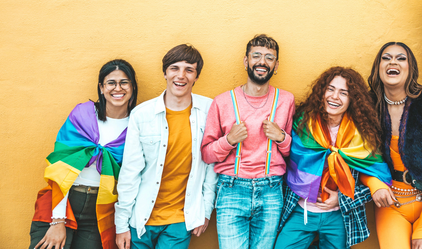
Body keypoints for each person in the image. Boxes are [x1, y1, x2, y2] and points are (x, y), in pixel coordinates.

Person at [275, 67, 392, 249]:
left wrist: (342, 199)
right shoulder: (303, 124)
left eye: (343, 93)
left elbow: (375, 178)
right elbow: (287, 164)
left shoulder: (362, 136)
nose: (335, 97)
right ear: (322, 93)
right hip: (301, 211)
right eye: (330, 89)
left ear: (352, 100)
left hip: (338, 216)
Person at [114, 44, 217, 249]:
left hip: (180, 220)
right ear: (165, 73)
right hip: (140, 219)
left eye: (189, 70)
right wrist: (121, 224)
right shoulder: (142, 115)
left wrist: (205, 211)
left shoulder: (209, 110)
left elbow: (211, 166)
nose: (181, 75)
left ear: (196, 76)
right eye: (174, 68)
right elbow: (130, 172)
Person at [30, 59, 138, 249]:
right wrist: (58, 221)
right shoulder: (83, 114)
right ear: (102, 88)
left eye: (124, 82)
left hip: (101, 212)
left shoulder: (137, 125)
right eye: (111, 83)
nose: (117, 88)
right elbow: (60, 170)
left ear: (132, 87)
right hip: (64, 201)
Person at [201, 34, 295, 249]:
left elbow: (293, 154)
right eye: (257, 56)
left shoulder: (286, 100)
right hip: (231, 188)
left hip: (271, 189)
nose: (262, 62)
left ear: (276, 65)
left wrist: (281, 137)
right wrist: (229, 141)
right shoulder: (222, 101)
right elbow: (206, 154)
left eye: (269, 58)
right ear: (246, 61)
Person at [363, 42, 422, 249]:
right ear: (378, 67)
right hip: (391, 203)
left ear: (410, 68)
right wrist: (373, 183)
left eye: (401, 58)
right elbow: (358, 160)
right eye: (386, 57)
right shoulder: (366, 107)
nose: (393, 61)